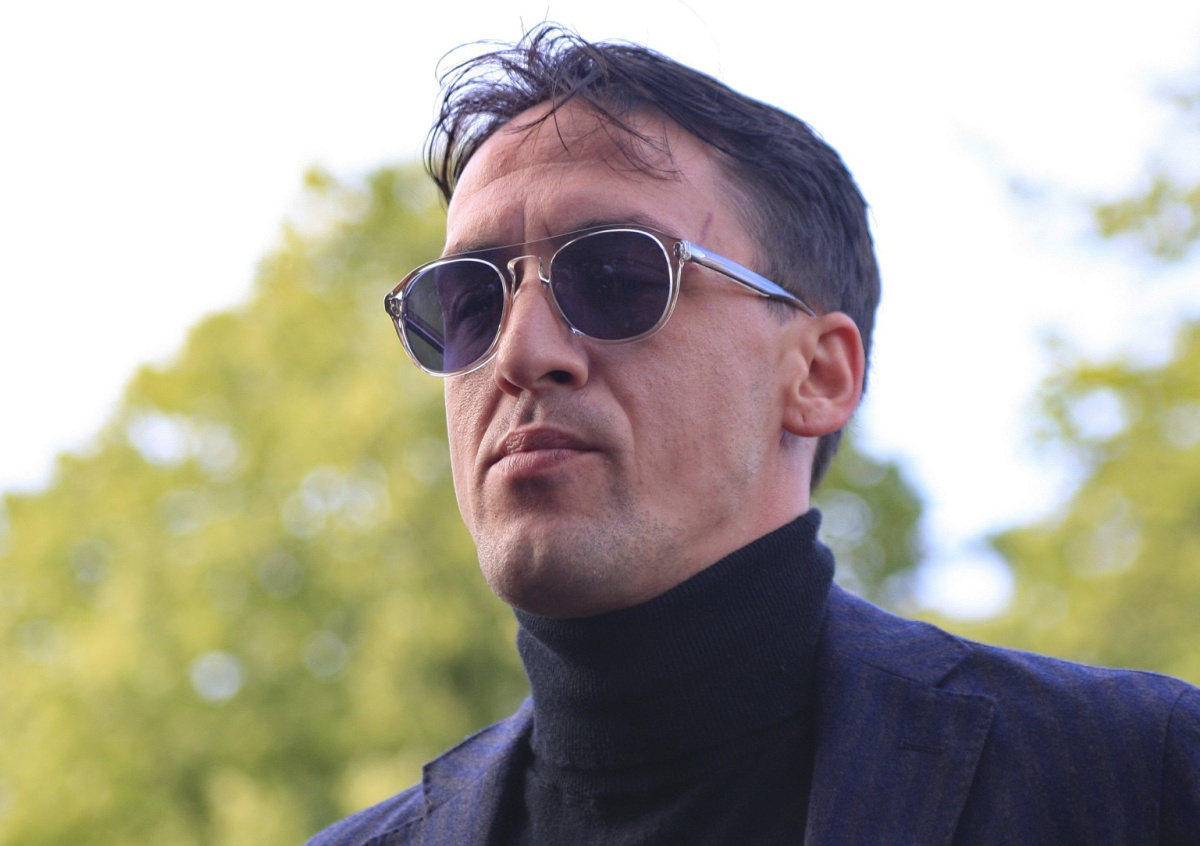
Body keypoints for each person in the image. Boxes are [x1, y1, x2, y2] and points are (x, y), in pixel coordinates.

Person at [309, 26, 1200, 845]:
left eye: (616, 277)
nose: (521, 353)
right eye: (471, 303)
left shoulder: (1143, 779)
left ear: (818, 376)